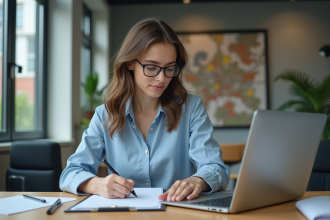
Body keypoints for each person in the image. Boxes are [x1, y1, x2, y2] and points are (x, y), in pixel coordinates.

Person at [60, 18, 229, 202]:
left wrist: (198, 180)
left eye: (169, 68)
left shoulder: (191, 108)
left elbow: (215, 167)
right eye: (151, 67)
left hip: (177, 213)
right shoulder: (105, 115)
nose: (162, 78)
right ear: (130, 63)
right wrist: (97, 185)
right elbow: (70, 174)